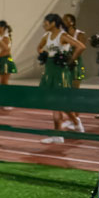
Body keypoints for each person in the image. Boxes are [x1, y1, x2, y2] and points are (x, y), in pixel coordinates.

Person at [37, 13, 86, 143]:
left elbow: (81, 46)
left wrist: (70, 60)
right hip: (49, 71)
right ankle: (75, 121)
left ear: (54, 23)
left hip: (61, 72)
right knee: (57, 103)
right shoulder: (46, 36)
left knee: (56, 103)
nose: (44, 25)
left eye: (46, 23)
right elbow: (39, 47)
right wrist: (44, 55)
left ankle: (58, 135)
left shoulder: (63, 36)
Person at [63, 13, 88, 90]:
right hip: (64, 61)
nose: (62, 21)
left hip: (76, 62)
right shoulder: (62, 34)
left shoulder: (80, 34)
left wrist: (72, 59)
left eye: (65, 20)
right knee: (64, 84)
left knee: (75, 83)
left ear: (72, 22)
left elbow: (81, 48)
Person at [0, 20, 17, 85]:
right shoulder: (1, 37)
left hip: (5, 60)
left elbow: (5, 50)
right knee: (2, 81)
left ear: (2, 28)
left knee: (3, 82)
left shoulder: (5, 37)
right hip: (2, 59)